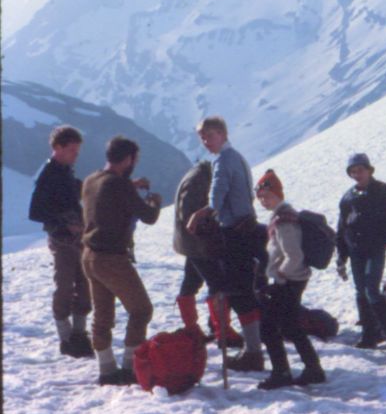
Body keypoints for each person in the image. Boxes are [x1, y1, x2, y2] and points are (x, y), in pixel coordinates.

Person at [80, 136, 162, 385]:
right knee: (141, 310)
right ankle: (131, 367)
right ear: (128, 159)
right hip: (112, 259)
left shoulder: (91, 179)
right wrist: (154, 201)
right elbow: (148, 216)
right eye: (134, 160)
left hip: (89, 257)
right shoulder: (120, 186)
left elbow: (109, 192)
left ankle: (107, 370)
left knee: (102, 317)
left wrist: (129, 184)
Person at [187, 116, 265, 371]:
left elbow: (216, 198)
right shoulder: (238, 158)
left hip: (235, 234)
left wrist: (200, 215)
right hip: (247, 228)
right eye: (202, 137)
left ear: (221, 133)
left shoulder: (223, 161)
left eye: (208, 135)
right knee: (245, 292)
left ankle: (253, 352)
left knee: (240, 294)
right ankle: (253, 349)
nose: (205, 141)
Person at [254, 169, 325, 389]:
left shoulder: (284, 221)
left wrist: (281, 274)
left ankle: (282, 373)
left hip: (289, 281)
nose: (263, 201)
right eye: (260, 197)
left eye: (267, 196)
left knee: (268, 327)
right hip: (294, 280)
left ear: (278, 194)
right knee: (291, 326)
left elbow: (294, 254)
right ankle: (313, 369)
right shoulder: (283, 215)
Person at [28, 125, 94, 358]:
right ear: (58, 148)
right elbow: (35, 211)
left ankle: (79, 334)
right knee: (65, 286)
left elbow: (75, 190)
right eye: (72, 150)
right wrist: (65, 224)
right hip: (62, 240)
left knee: (85, 285)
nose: (76, 155)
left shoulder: (65, 171)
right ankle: (66, 338)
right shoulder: (48, 175)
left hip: (77, 239)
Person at [335, 153, 386, 348]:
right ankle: (370, 333)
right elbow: (342, 228)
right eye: (353, 171)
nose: (358, 174)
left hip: (375, 248)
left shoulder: (383, 190)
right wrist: (341, 256)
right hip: (355, 249)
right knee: (360, 291)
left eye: (361, 170)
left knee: (371, 290)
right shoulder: (348, 198)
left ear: (369, 170)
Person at [172, 160, 242, 347]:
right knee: (217, 283)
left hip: (191, 242)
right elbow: (189, 214)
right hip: (198, 243)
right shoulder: (198, 180)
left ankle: (192, 329)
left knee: (191, 282)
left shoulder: (198, 175)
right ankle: (223, 331)